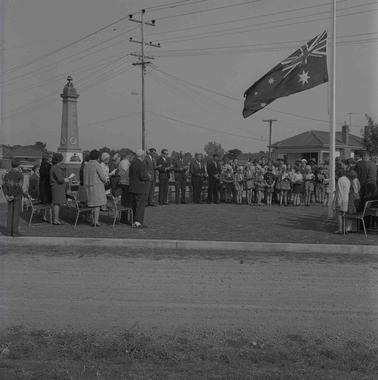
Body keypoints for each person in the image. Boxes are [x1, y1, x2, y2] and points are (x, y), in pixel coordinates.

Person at [2, 159, 26, 236]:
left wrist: (6, 195)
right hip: (17, 196)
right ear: (18, 166)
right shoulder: (20, 175)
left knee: (10, 214)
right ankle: (15, 232)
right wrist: (13, 195)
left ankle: (9, 232)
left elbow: (3, 186)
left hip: (8, 196)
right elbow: (19, 186)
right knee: (16, 214)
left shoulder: (6, 174)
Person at [84, 149, 107, 227]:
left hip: (88, 185)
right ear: (98, 157)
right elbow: (102, 176)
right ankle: (96, 221)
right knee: (97, 205)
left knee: (92, 204)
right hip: (96, 186)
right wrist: (105, 180)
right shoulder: (97, 164)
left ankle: (93, 220)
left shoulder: (87, 164)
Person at [129, 149, 150, 228]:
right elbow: (143, 176)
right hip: (140, 188)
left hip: (132, 187)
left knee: (134, 205)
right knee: (140, 206)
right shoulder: (141, 164)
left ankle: (134, 220)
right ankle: (138, 222)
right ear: (142, 156)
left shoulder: (132, 164)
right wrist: (148, 177)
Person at [49, 153, 70, 225]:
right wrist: (66, 179)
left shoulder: (54, 167)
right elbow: (60, 179)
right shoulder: (56, 168)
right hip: (57, 187)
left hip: (56, 187)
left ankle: (56, 219)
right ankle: (56, 220)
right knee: (57, 204)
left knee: (57, 204)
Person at [334, 166, 351, 234]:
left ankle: (340, 229)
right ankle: (345, 228)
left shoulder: (340, 180)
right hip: (346, 198)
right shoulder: (347, 179)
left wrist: (338, 202)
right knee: (344, 215)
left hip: (341, 199)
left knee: (339, 215)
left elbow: (340, 192)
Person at [39, 151, 52, 221]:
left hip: (42, 185)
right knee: (47, 202)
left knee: (43, 201)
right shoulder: (48, 166)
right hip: (47, 186)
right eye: (50, 157)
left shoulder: (41, 166)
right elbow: (49, 176)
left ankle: (43, 215)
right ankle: (47, 216)